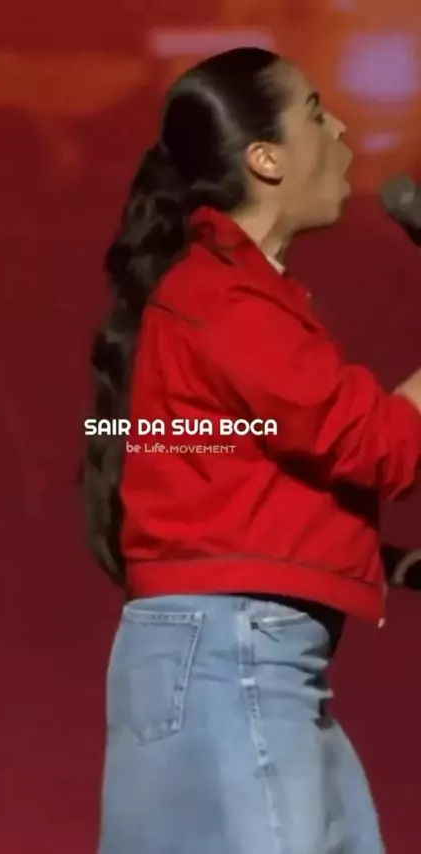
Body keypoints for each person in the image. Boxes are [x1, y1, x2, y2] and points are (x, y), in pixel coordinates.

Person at [82, 47, 421, 854]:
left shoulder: (226, 294)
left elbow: (244, 485)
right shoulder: (224, 299)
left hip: (240, 658)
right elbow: (376, 444)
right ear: (266, 159)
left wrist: (385, 560)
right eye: (315, 114)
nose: (340, 131)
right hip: (232, 659)